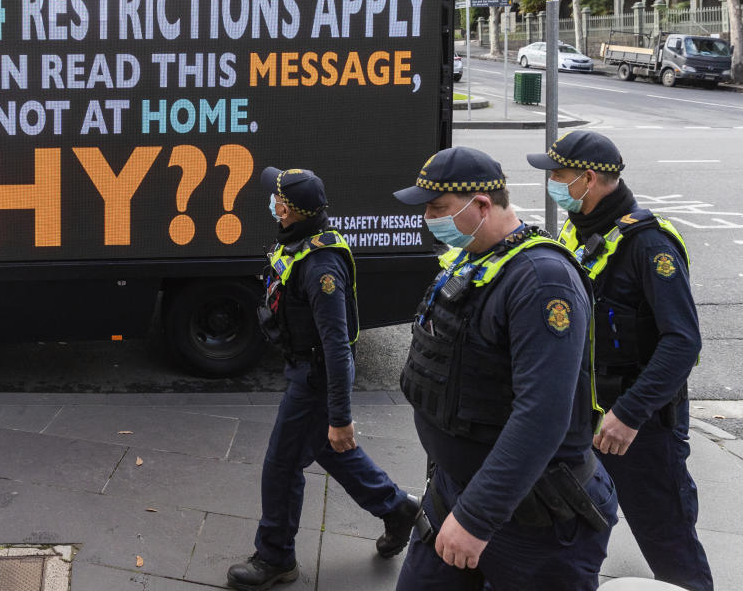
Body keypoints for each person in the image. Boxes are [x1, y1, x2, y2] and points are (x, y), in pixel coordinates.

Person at [392, 147, 617, 591]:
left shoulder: (541, 279)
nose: (427, 219)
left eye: (438, 208)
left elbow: (542, 415)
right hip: (457, 491)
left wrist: (477, 517)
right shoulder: (477, 257)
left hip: (532, 518)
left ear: (481, 206)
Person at [528, 131, 712, 591]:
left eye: (559, 175)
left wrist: (628, 415)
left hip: (639, 429)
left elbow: (683, 342)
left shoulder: (649, 246)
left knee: (668, 542)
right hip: (583, 419)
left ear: (589, 178)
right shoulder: (579, 228)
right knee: (568, 537)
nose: (551, 182)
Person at [226, 167, 419, 591]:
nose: (271, 202)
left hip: (314, 380)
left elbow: (337, 347)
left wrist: (340, 416)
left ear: (290, 209)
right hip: (303, 370)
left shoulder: (321, 266)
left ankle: (276, 557)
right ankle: (397, 509)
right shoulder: (298, 242)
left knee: (281, 466)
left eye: (277, 198)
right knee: (329, 452)